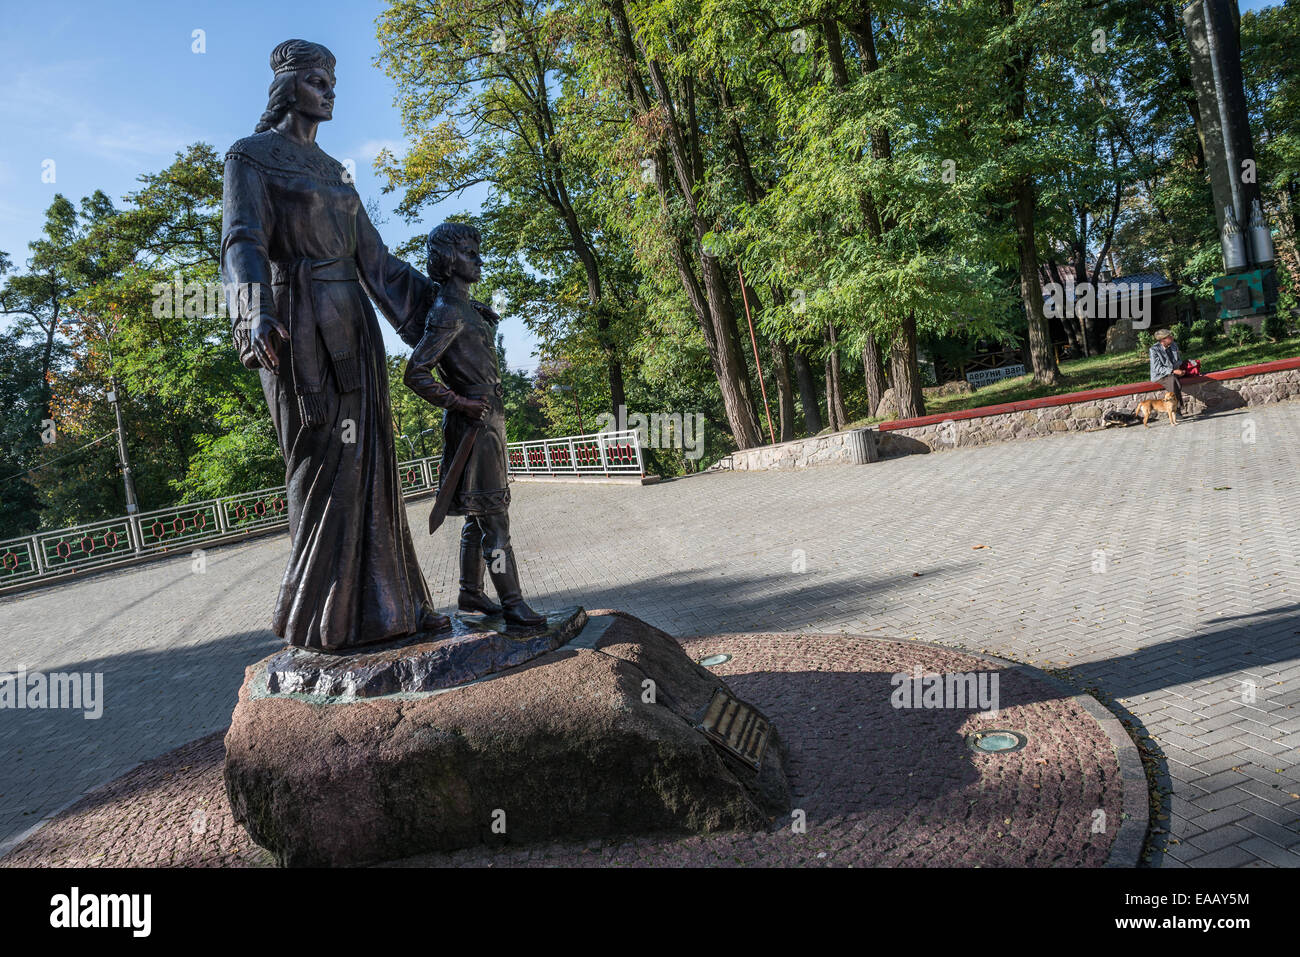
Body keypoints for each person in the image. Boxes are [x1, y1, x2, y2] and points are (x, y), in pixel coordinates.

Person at [220, 39, 449, 650]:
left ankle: (388, 608)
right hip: (296, 331)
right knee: (318, 465)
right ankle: (322, 620)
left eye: (332, 80)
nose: (330, 90)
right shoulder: (250, 157)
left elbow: (376, 262)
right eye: (318, 80)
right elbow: (242, 241)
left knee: (371, 465)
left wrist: (449, 310)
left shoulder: (335, 171)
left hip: (354, 328)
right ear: (287, 87)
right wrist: (253, 310)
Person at [403, 223, 546, 629]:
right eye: (469, 253)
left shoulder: (462, 307)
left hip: (487, 425)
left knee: (476, 514)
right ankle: (514, 602)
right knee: (495, 519)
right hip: (475, 428)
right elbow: (416, 373)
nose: (478, 259)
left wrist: (479, 313)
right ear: (448, 262)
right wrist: (461, 402)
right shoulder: (448, 312)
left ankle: (470, 591)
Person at [1149, 328, 1190, 413]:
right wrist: (1173, 371)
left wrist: (1179, 369)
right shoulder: (1154, 350)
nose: (1172, 337)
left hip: (1174, 371)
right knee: (1173, 380)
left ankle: (1175, 409)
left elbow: (1179, 360)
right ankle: (1176, 410)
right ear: (1163, 340)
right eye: (1169, 336)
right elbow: (1157, 368)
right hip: (1160, 375)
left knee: (1178, 378)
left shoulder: (1174, 345)